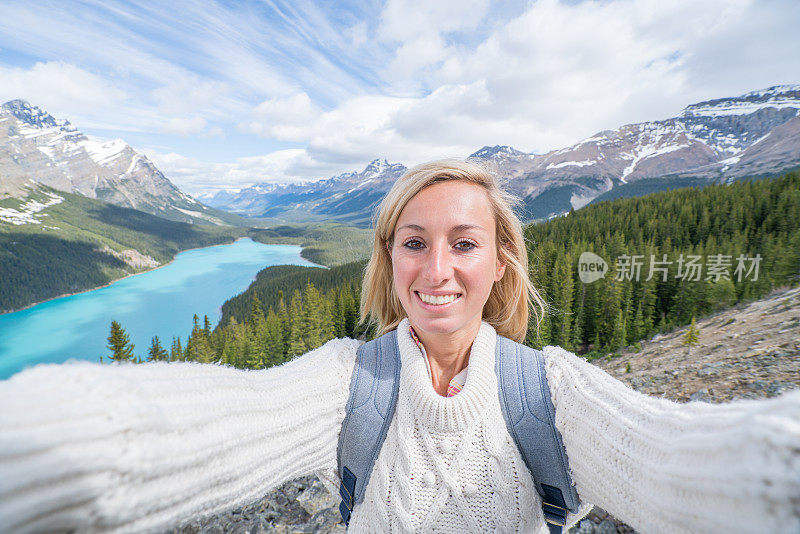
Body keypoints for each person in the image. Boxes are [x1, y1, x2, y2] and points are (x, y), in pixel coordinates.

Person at [1, 160, 798, 534]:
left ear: (500, 264)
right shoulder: (351, 384)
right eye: (413, 242)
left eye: (464, 243)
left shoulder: (548, 393)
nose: (437, 269)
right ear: (388, 260)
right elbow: (176, 429)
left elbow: (674, 463)